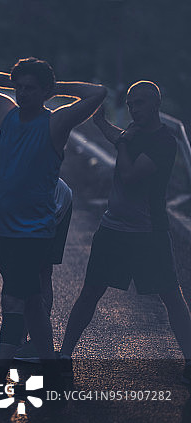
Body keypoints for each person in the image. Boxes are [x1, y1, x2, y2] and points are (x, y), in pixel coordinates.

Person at [0, 57, 106, 406]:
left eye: (30, 88)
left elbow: (97, 93)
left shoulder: (56, 123)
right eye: (19, 87)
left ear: (44, 91)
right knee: (33, 306)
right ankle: (54, 376)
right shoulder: (7, 114)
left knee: (13, 301)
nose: (23, 93)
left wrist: (54, 88)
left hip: (34, 231)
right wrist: (12, 81)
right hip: (8, 229)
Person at [59, 81, 191, 384]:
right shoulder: (133, 132)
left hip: (148, 233)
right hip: (113, 228)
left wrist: (122, 142)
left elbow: (130, 175)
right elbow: (120, 138)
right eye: (130, 104)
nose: (133, 109)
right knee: (90, 292)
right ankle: (64, 356)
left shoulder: (164, 142)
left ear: (156, 104)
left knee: (172, 297)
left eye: (139, 103)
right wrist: (101, 123)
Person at [0, 177, 73, 361]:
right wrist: (11, 281)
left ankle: (36, 343)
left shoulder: (9, 210)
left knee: (42, 272)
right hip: (29, 204)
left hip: (55, 200)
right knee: (20, 284)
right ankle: (21, 341)